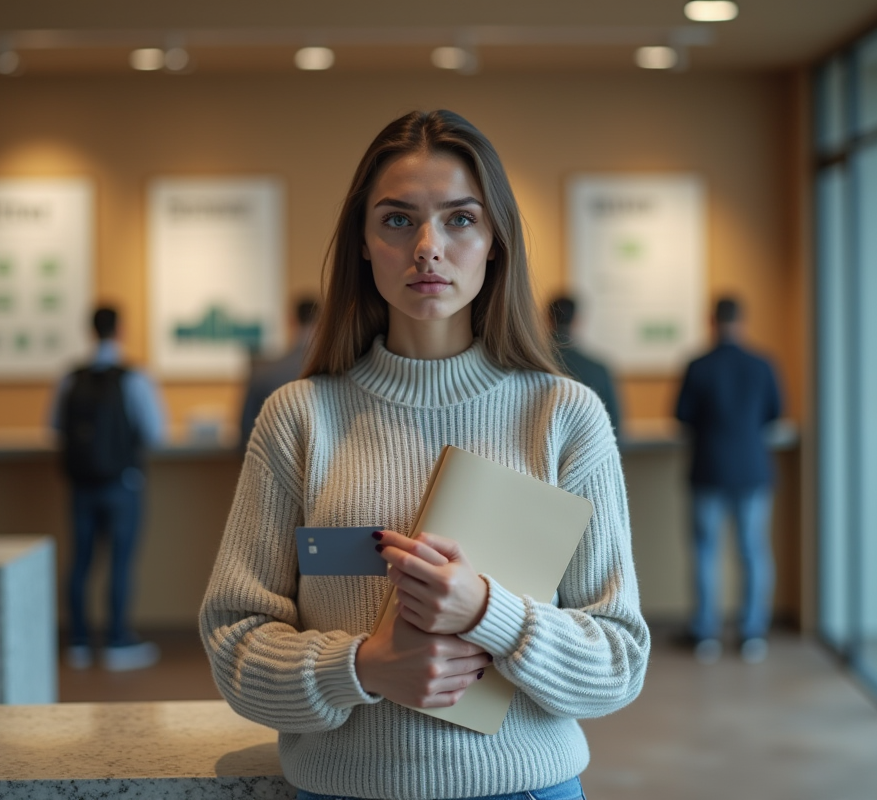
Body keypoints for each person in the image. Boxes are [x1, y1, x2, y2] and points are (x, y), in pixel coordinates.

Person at [200, 110, 649, 800]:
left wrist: (487, 612)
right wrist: (363, 667)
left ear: (496, 240)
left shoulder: (563, 416)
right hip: (343, 790)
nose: (428, 247)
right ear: (363, 241)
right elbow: (234, 645)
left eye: (461, 220)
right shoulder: (299, 418)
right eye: (398, 220)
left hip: (526, 788)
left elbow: (618, 660)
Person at [52, 306, 167, 671]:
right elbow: (156, 432)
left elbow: (53, 427)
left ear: (90, 330)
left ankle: (80, 642)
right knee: (120, 561)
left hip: (81, 484)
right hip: (122, 482)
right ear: (120, 330)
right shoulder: (134, 377)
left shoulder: (70, 377)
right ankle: (117, 641)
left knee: (81, 560)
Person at [674, 296, 783, 665]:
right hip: (753, 469)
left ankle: (707, 634)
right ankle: (753, 633)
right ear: (743, 320)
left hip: (709, 469)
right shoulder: (762, 364)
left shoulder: (698, 365)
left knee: (706, 552)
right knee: (753, 551)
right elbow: (774, 413)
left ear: (711, 321)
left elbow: (681, 415)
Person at [238, 297, 319, 448]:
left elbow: (245, 435)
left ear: (291, 321)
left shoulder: (263, 373)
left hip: (271, 464)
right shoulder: (339, 373)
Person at [548, 295, 624, 441]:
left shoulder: (525, 367)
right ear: (577, 320)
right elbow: (615, 428)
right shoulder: (598, 370)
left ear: (548, 319)